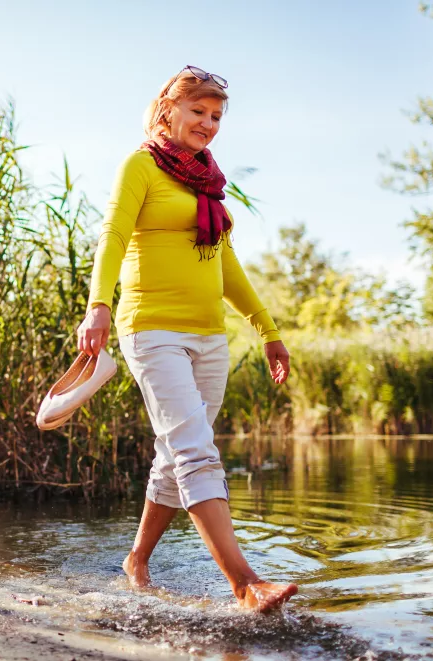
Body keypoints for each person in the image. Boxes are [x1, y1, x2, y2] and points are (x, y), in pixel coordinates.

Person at [77, 65, 297, 613]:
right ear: (169, 109)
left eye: (217, 115)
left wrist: (267, 330)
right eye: (197, 111)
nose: (208, 123)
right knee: (197, 450)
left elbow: (224, 260)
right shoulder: (141, 165)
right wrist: (98, 304)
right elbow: (113, 236)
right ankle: (245, 583)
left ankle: (136, 559)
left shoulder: (207, 179)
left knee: (175, 458)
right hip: (151, 329)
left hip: (209, 337)